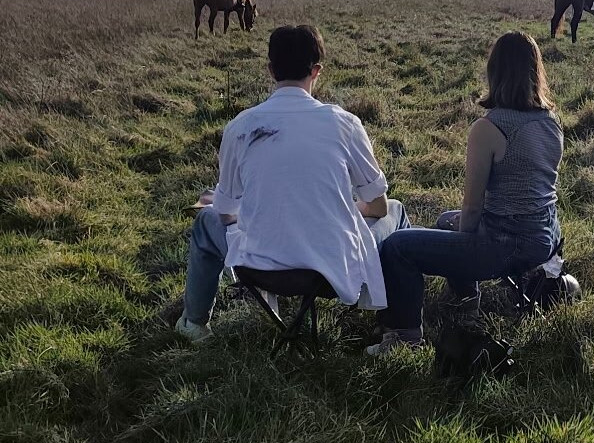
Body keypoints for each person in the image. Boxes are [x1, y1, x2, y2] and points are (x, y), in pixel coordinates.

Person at [175, 24, 409, 342]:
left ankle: (194, 323)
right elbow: (378, 207)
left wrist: (256, 208)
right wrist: (345, 207)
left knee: (206, 220)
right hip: (331, 270)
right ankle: (397, 328)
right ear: (317, 71)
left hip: (259, 267)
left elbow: (227, 213)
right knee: (396, 210)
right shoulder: (344, 123)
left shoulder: (240, 126)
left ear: (271, 69)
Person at [368, 31, 563, 355]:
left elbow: (472, 208)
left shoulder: (489, 128)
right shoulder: (550, 120)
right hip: (545, 236)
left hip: (505, 245)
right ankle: (465, 304)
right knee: (446, 219)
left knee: (398, 246)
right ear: (535, 71)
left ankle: (404, 338)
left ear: (494, 71)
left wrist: (465, 249)